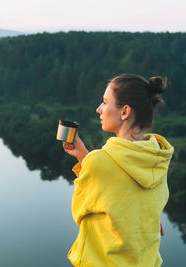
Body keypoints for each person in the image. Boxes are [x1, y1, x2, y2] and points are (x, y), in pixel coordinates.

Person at [63, 74, 174, 267]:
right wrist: (84, 157)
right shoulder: (158, 158)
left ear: (124, 112)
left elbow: (80, 213)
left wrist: (88, 161)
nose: (99, 109)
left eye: (105, 102)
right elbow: (129, 197)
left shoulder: (99, 162)